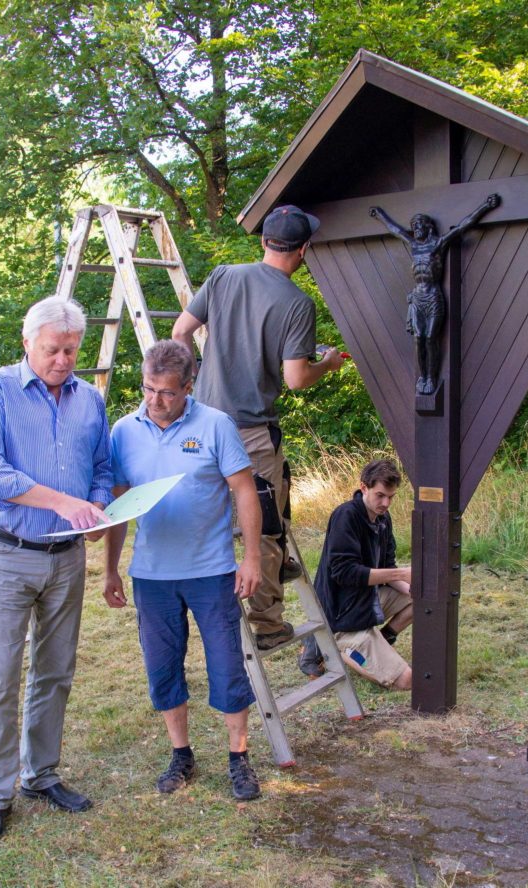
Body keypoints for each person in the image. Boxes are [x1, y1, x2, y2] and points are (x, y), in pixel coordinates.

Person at [0, 295, 113, 844]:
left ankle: (40, 775)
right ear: (27, 344)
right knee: (0, 676)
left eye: (71, 350)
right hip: (6, 553)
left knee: (55, 671)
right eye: (52, 350)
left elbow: (101, 467)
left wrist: (95, 509)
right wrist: (58, 502)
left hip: (66, 557)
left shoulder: (89, 400)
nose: (63, 360)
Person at [172, 205, 345, 650]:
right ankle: (267, 624)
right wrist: (324, 364)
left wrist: (197, 382)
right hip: (248, 432)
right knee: (262, 526)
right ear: (303, 250)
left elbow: (179, 333)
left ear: (265, 242)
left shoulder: (225, 275)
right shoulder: (296, 304)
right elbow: (295, 378)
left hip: (201, 423)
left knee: (236, 509)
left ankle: (270, 571)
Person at [103, 340, 264, 800]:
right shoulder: (124, 431)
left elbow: (245, 492)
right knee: (162, 667)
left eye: (167, 393)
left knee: (227, 667)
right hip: (151, 575)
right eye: (148, 389)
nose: (155, 400)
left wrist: (251, 558)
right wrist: (110, 570)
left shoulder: (215, 426)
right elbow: (118, 506)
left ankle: (239, 758)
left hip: (211, 571)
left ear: (189, 387)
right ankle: (181, 755)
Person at [299, 459, 413, 690]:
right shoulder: (346, 516)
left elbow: (387, 566)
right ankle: (339, 650)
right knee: (406, 681)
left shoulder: (383, 518)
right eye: (380, 495)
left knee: (426, 599)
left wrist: (414, 587)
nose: (386, 503)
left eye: (391, 497)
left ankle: (383, 640)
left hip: (367, 600)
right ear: (363, 487)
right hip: (343, 615)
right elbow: (345, 572)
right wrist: (401, 573)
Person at [370, 194, 500, 395]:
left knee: (431, 337)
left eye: (419, 224)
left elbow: (463, 226)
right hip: (418, 297)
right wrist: (380, 216)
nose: (416, 228)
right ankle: (423, 376)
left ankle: (431, 377)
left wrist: (485, 206)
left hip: (433, 297)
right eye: (414, 225)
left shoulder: (438, 244)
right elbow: (395, 230)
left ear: (428, 226)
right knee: (418, 339)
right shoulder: (413, 245)